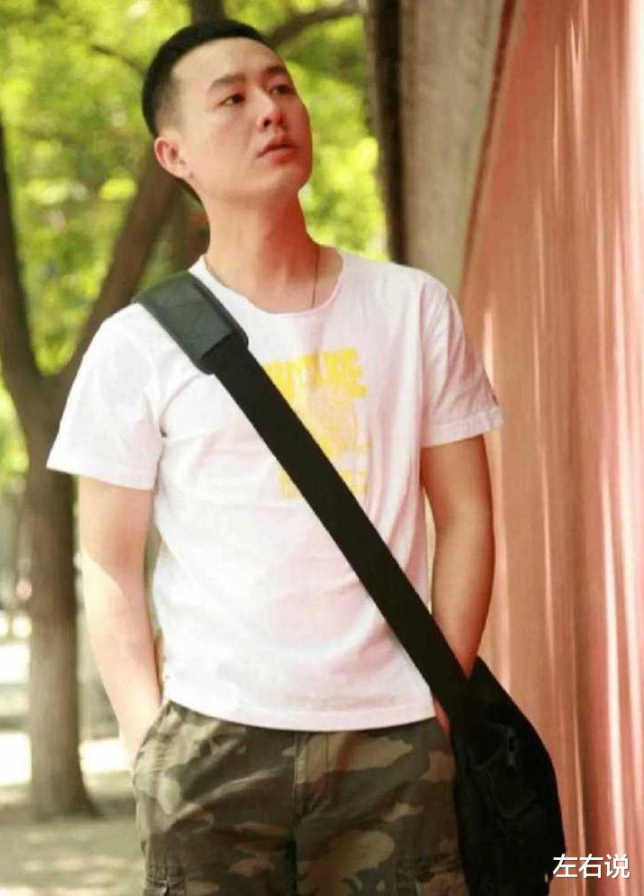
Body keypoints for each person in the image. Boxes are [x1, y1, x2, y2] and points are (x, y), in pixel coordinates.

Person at [46, 18, 505, 895]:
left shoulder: (412, 309)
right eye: (233, 98)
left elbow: (468, 514)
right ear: (174, 154)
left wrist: (443, 696)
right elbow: (107, 562)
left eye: (281, 86)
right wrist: (148, 742)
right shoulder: (137, 345)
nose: (270, 110)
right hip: (211, 744)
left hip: (395, 735)